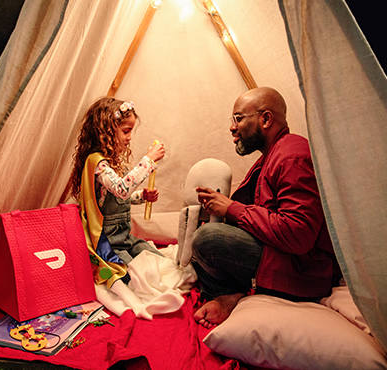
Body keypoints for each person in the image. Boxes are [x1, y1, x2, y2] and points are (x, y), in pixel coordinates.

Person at [192, 87, 341, 329]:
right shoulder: (272, 155)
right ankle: (230, 296)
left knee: (208, 239)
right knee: (197, 239)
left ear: (266, 119)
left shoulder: (292, 156)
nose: (232, 127)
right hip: (279, 252)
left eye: (238, 118)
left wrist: (232, 209)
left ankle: (230, 295)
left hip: (305, 270)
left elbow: (299, 234)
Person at [69, 97, 166, 289]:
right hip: (107, 241)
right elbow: (122, 190)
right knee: (132, 278)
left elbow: (117, 198)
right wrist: (148, 160)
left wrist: (142, 197)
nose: (130, 137)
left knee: (159, 263)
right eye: (126, 131)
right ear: (106, 131)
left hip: (124, 237)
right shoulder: (98, 164)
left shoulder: (113, 161)